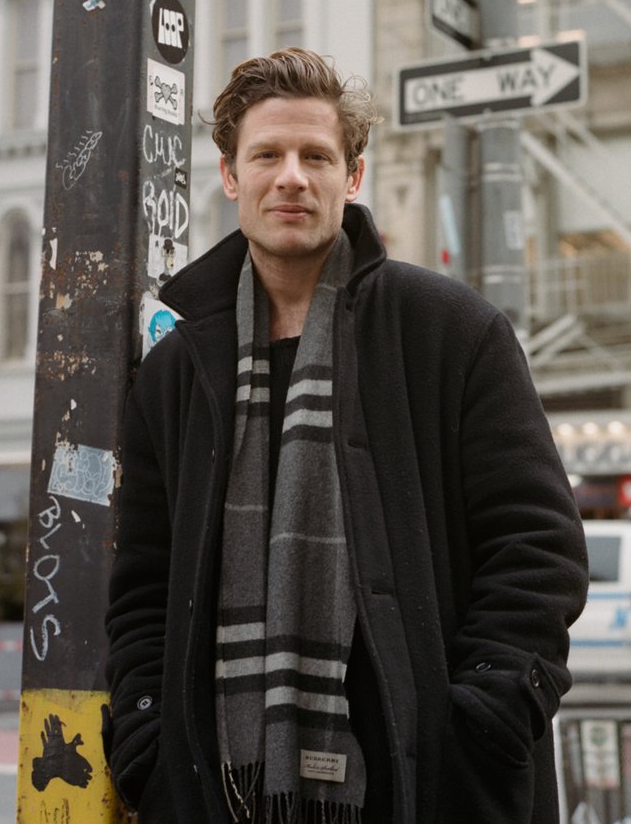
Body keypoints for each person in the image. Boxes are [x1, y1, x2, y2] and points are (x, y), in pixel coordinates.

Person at [104, 48, 589, 824]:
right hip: (220, 794)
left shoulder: (451, 332)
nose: (291, 176)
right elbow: (141, 589)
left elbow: (538, 547)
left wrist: (486, 717)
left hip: (426, 784)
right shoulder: (176, 371)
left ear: (351, 176)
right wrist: (147, 743)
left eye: (316, 156)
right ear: (231, 176)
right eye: (266, 154)